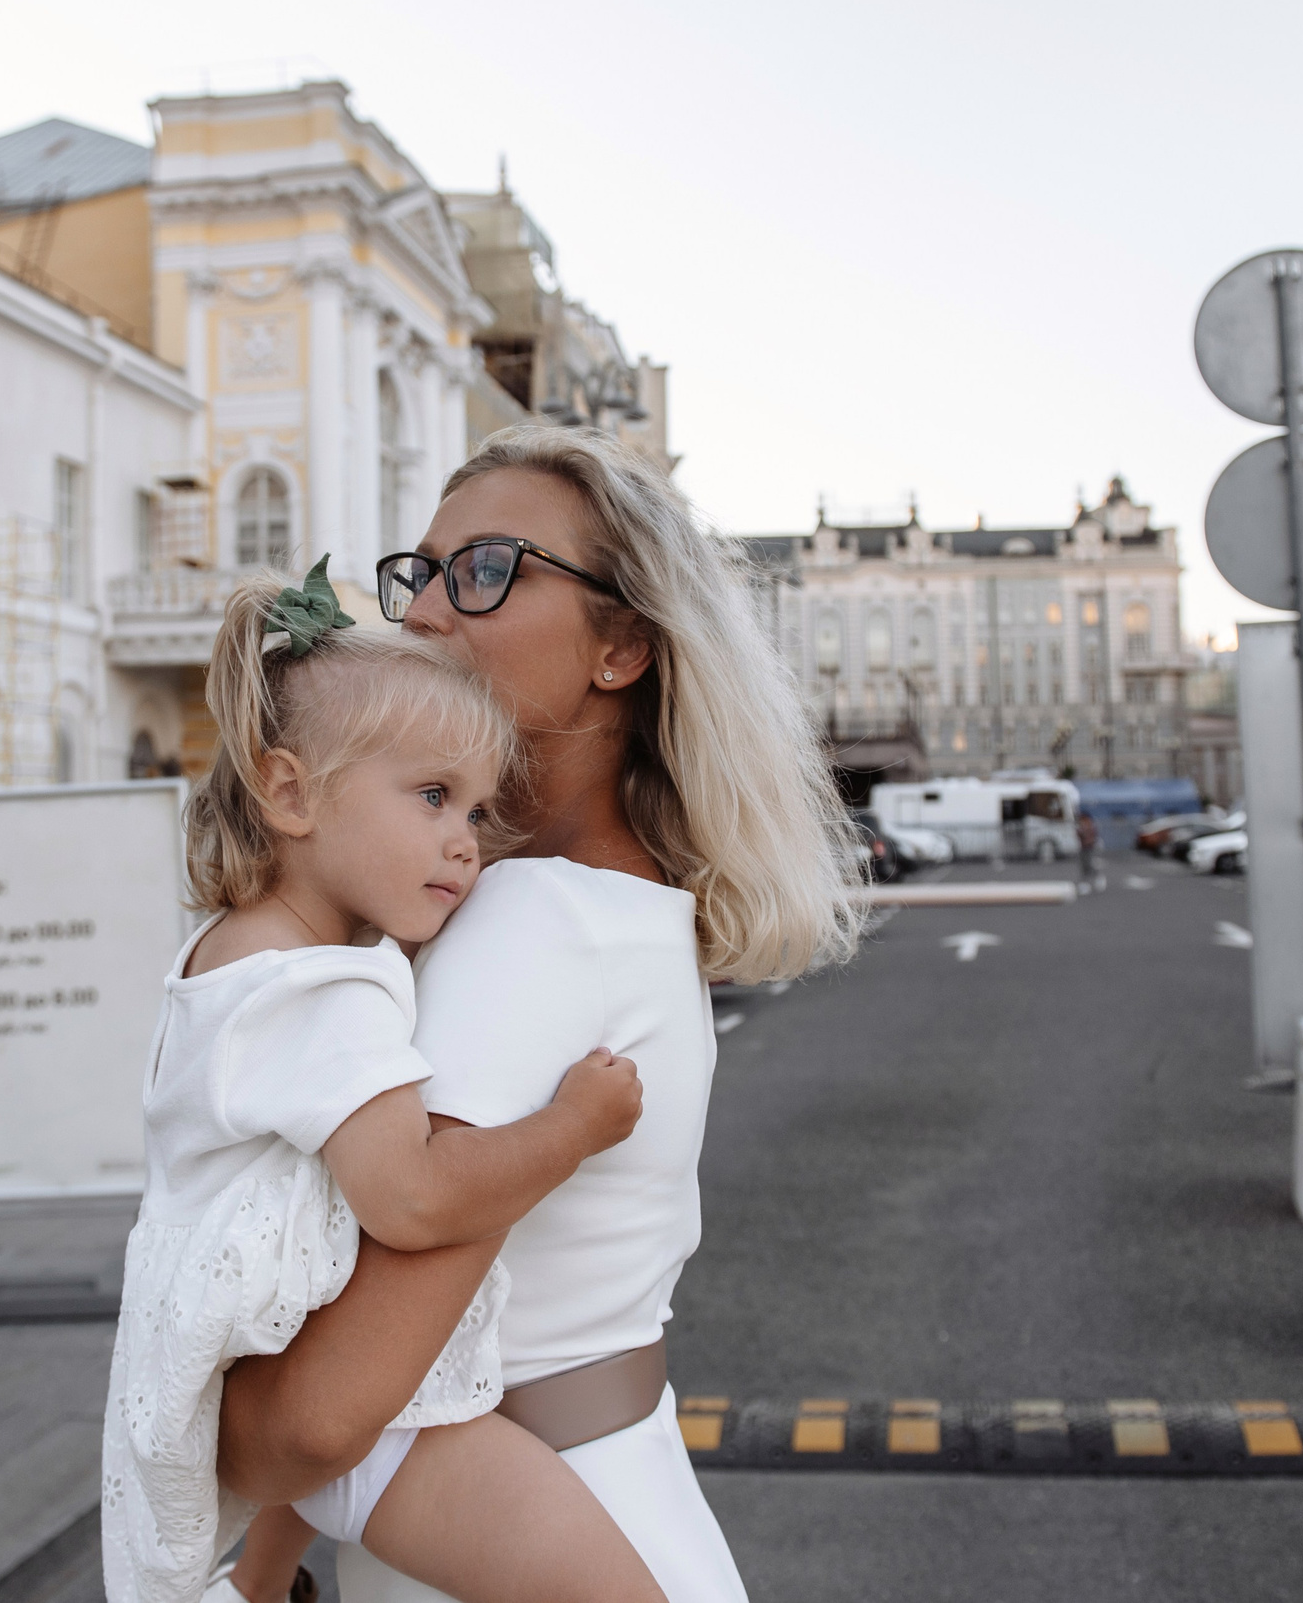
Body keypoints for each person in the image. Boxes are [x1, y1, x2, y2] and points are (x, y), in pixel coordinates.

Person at [216, 427, 864, 1603]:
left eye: (487, 569)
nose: (418, 614)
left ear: (621, 645)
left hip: (521, 1540)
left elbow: (312, 1422)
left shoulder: (534, 921)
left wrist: (183, 1401)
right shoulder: (608, 899)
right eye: (417, 573)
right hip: (590, 1499)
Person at [100, 561, 667, 1603]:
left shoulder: (241, 952)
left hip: (264, 1367)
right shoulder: (317, 991)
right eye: (434, 795)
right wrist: (573, 1126)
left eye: (481, 809)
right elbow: (410, 1198)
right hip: (388, 1434)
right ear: (290, 790)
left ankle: (258, 1585)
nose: (465, 840)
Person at [1076, 806, 1100, 886]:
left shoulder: (1090, 825)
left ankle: (1096, 877)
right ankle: (1085, 882)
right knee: (1084, 865)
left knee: (1088, 864)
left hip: (1089, 847)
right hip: (1083, 847)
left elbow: (1091, 836)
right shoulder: (1082, 825)